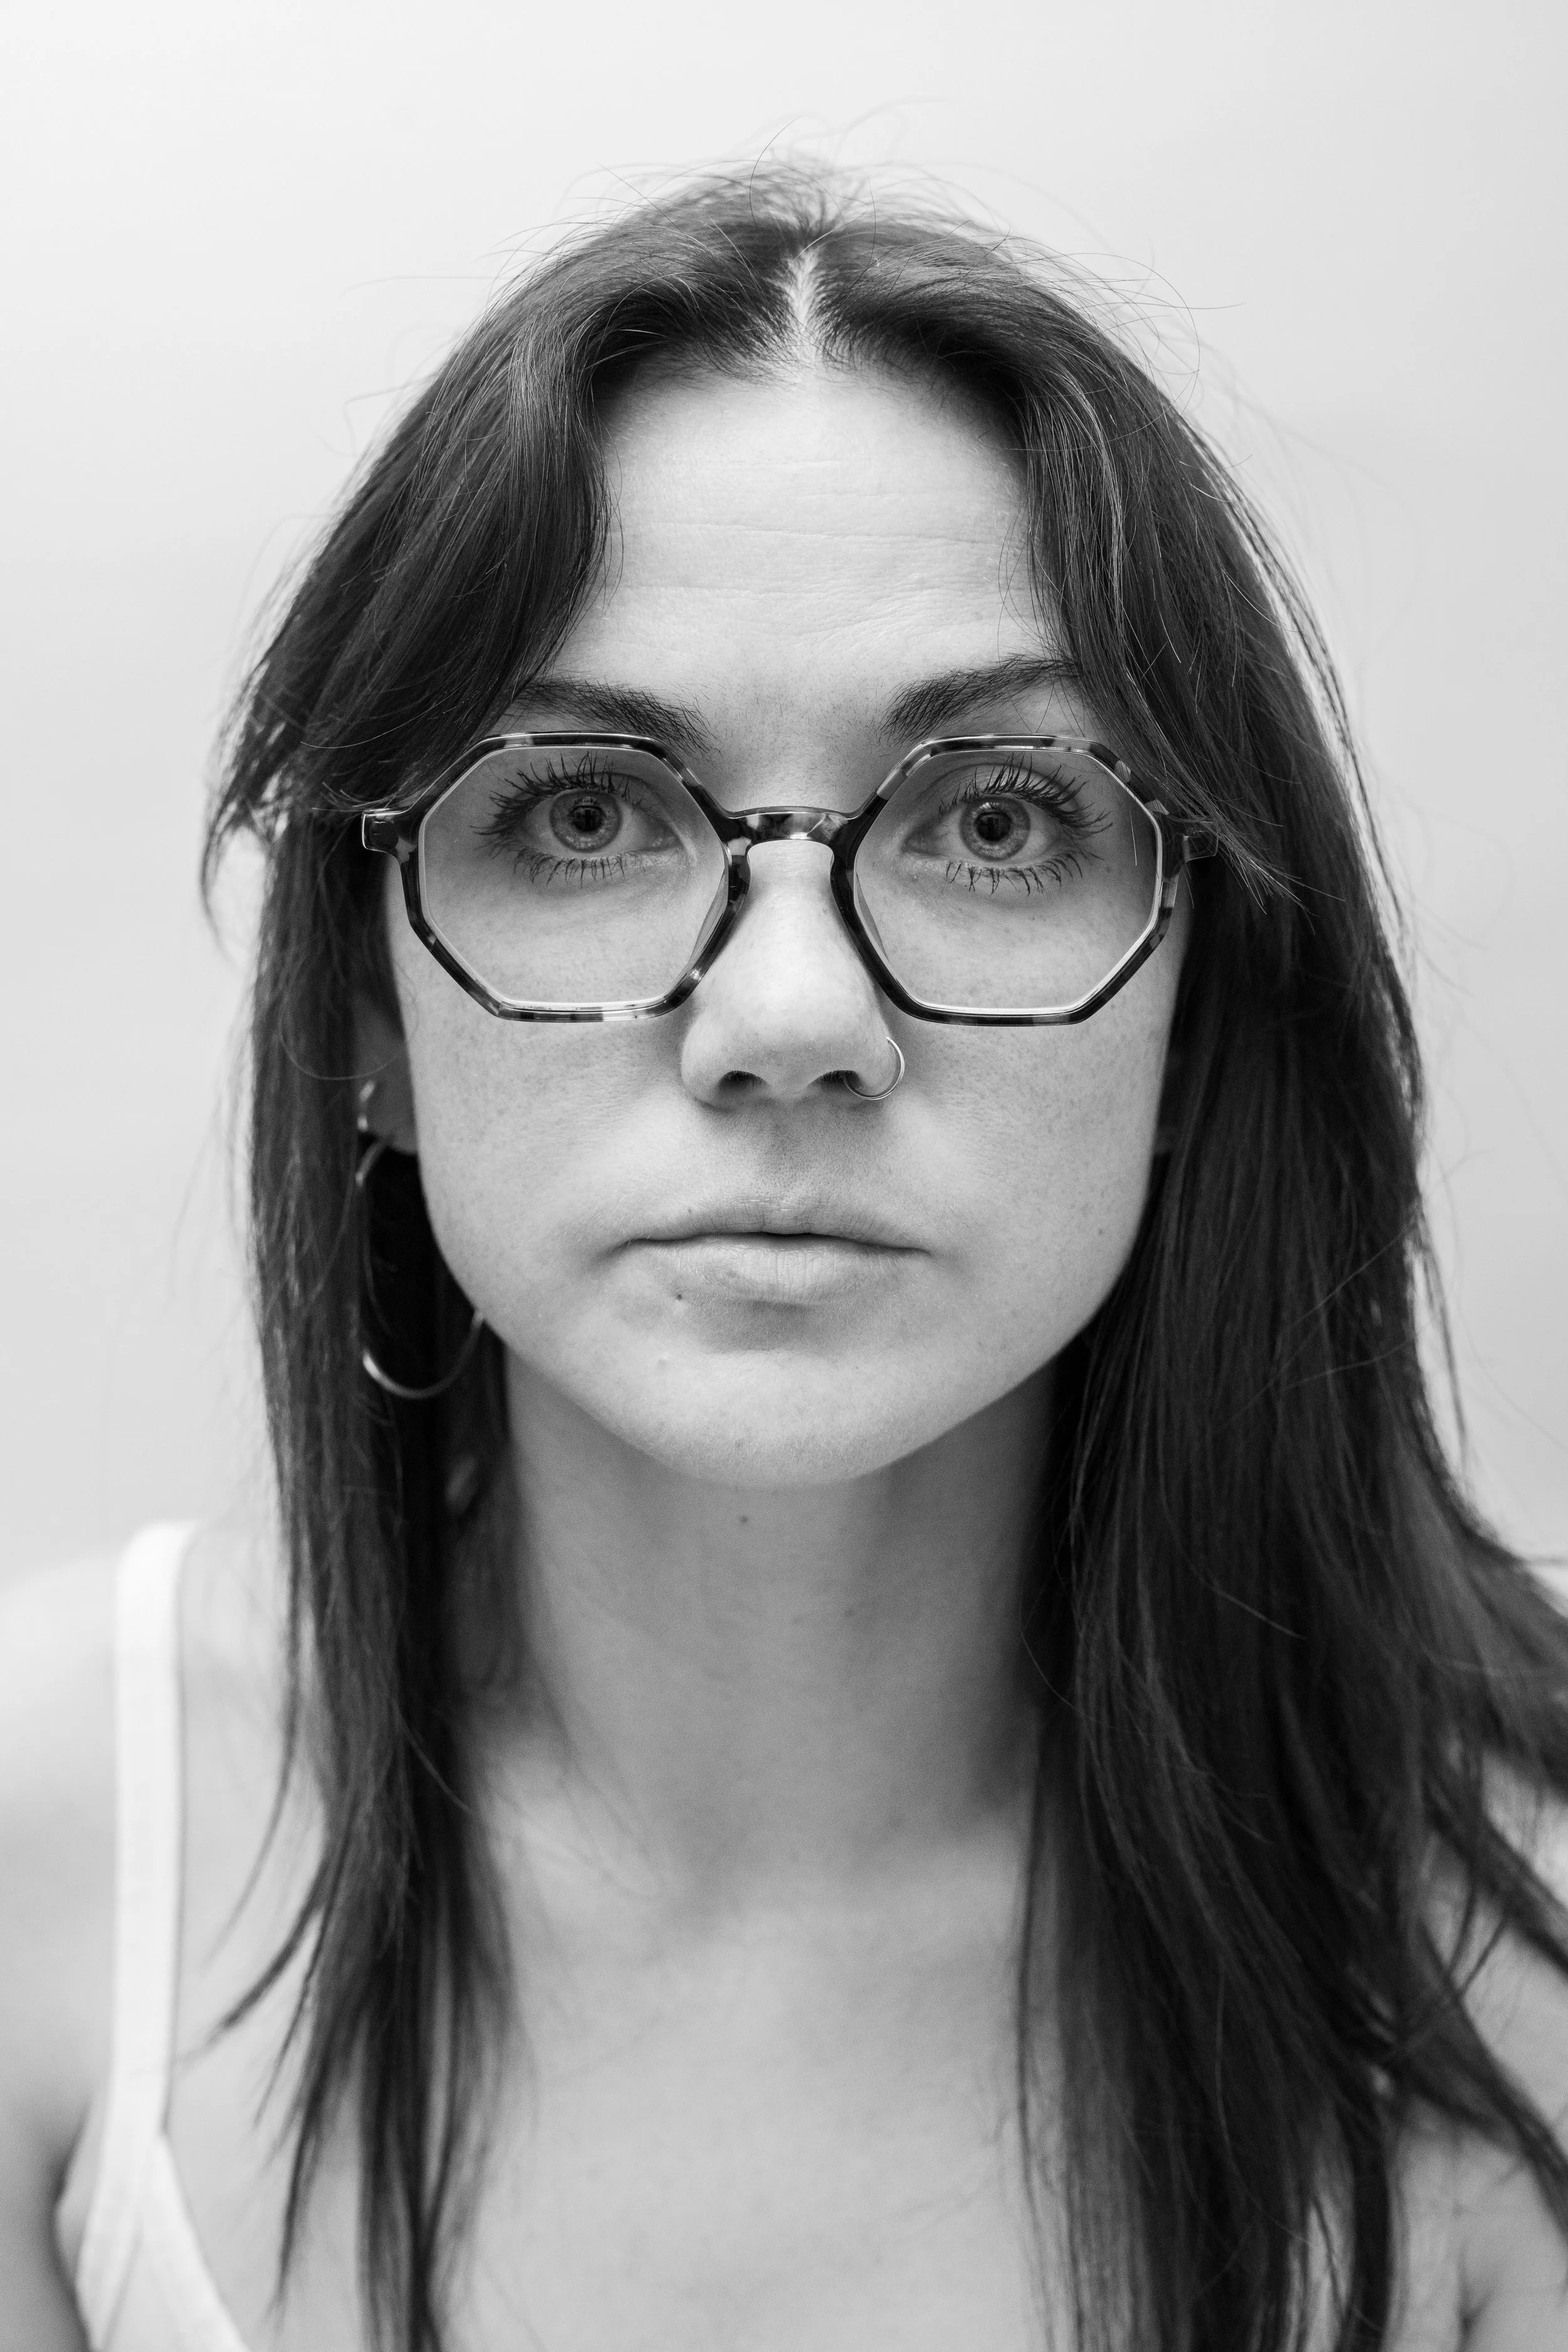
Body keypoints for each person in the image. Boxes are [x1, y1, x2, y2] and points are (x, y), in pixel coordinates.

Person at [3, 165, 1567, 2352]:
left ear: (1198, 1006)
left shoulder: (1525, 1952)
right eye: (579, 812)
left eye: (996, 819)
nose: (789, 1021)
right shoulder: (46, 1848)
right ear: (367, 1014)